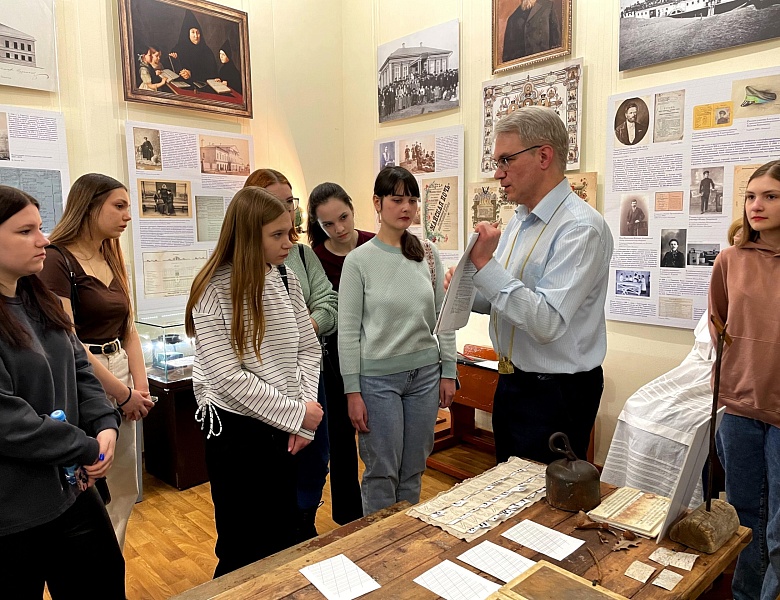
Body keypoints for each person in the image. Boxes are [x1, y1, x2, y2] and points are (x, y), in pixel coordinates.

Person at [446, 106, 613, 465]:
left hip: (556, 393)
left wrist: (486, 267)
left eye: (506, 160)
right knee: (509, 489)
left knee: (542, 507)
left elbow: (546, 322)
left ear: (543, 155)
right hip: (514, 382)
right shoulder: (521, 221)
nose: (497, 173)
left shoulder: (580, 228)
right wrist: (464, 290)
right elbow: (507, 299)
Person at [185, 186, 323, 576]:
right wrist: (297, 414)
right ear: (248, 235)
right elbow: (228, 377)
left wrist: (302, 418)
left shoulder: (285, 279)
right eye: (276, 235)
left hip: (285, 427)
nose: (287, 243)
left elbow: (308, 351)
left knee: (282, 532)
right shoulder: (213, 290)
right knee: (240, 544)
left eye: (289, 232)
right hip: (236, 432)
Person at [0, 185, 125, 598]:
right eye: (25, 231)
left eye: (41, 227)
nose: (44, 240)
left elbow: (79, 368)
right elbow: (9, 421)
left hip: (73, 493)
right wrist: (85, 446)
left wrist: (105, 424)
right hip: (15, 512)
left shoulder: (38, 297)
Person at [39, 174, 154, 551]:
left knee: (125, 483)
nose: (127, 216)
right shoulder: (57, 260)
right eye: (119, 206)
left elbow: (129, 328)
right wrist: (122, 394)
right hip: (83, 378)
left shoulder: (111, 253)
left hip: (120, 367)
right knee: (90, 477)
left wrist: (141, 387)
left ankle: (112, 560)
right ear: (90, 207)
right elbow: (70, 341)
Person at [339, 166, 457, 516]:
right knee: (381, 473)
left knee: (414, 469)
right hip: (377, 382)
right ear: (377, 203)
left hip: (425, 376)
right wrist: (352, 391)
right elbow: (348, 332)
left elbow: (444, 317)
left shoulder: (428, 254)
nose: (406, 207)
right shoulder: (358, 262)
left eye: (412, 200)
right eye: (396, 199)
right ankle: (378, 551)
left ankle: (405, 545)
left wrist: (448, 369)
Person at [602, 220, 743, 508]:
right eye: (735, 245)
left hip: (729, 383)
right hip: (697, 371)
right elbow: (700, 350)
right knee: (637, 406)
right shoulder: (725, 287)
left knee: (689, 428)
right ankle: (634, 501)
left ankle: (678, 506)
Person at [244, 168, 337, 540]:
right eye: (275, 204)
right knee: (278, 466)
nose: (286, 211)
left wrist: (297, 335)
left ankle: (304, 521)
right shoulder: (229, 276)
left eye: (289, 203)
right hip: (265, 390)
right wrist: (293, 336)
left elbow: (328, 306)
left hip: (310, 379)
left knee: (316, 456)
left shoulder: (299, 257)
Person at [710, 160, 780, 600]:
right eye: (751, 196)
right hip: (739, 409)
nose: (757, 205)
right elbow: (719, 324)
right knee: (744, 522)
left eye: (771, 196)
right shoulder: (730, 260)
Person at [308, 182, 375, 525]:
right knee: (340, 440)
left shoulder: (374, 244)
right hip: (333, 354)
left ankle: (382, 506)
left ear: (352, 207)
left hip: (377, 348)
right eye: (329, 225)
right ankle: (349, 517)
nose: (340, 228)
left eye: (344, 217)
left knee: (377, 434)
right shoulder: (315, 257)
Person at [169, 10, 217, 83]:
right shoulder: (178, 49)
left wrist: (192, 74)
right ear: (187, 34)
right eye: (193, 32)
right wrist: (173, 60)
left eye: (198, 32)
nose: (196, 36)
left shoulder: (207, 52)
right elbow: (169, 70)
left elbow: (212, 75)